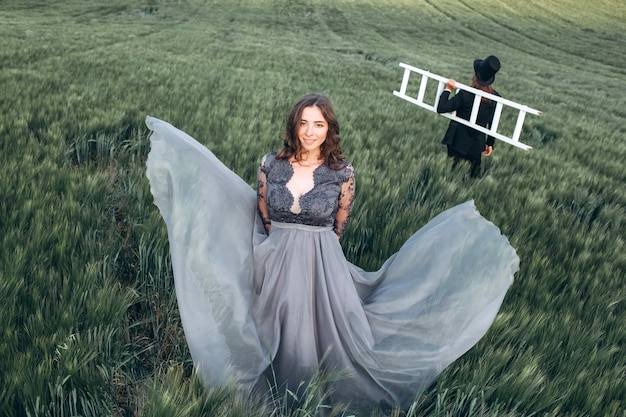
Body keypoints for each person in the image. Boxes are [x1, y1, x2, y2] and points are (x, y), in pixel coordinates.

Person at [145, 93, 519, 413]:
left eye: (319, 124)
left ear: (329, 130)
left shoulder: (343, 173)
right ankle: (261, 388)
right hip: (273, 259)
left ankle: (307, 395)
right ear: (293, 126)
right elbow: (262, 212)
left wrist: (310, 252)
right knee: (263, 326)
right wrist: (280, 248)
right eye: (304, 123)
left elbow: (339, 226)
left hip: (320, 262)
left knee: (314, 334)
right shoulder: (269, 164)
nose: (310, 132)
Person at [437, 55, 501, 177]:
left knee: (451, 176)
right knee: (473, 179)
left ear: (475, 75)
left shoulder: (465, 94)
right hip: (477, 145)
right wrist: (490, 143)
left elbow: (442, 108)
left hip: (457, 142)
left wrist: (448, 89)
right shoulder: (496, 98)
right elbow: (493, 121)